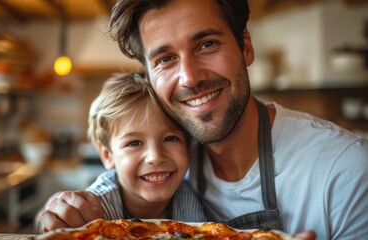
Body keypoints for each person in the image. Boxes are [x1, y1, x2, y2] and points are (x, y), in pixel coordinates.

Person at [37, 0, 368, 239]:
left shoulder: (346, 172)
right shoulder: (167, 159)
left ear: (245, 46)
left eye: (207, 44)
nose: (189, 78)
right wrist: (62, 212)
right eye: (166, 59)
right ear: (150, 77)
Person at [36, 72, 208, 232]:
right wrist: (52, 219)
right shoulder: (94, 208)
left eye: (170, 138)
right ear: (107, 155)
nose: (155, 157)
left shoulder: (194, 197)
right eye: (134, 143)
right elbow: (55, 221)